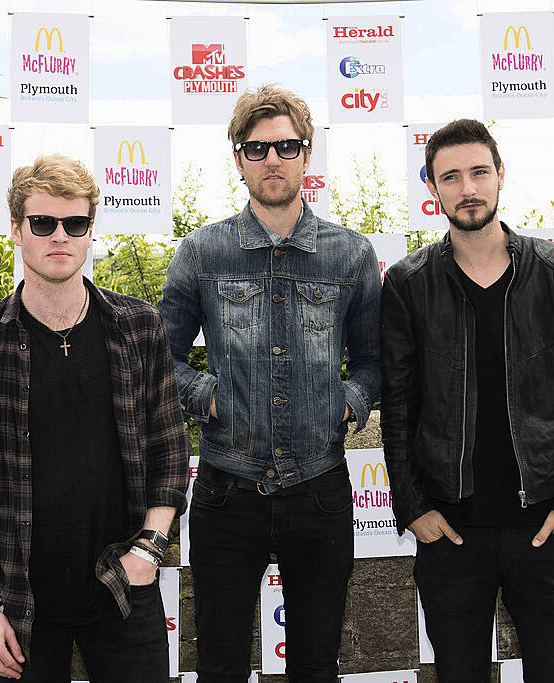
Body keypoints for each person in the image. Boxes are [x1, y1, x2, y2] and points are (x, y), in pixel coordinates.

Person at [0, 154, 189, 682]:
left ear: (91, 231)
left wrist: (148, 550)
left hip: (124, 587)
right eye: (43, 223)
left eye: (75, 224)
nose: (59, 236)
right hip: (19, 601)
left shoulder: (140, 328)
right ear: (17, 231)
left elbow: (170, 451)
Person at [157, 84, 382, 682]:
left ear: (308, 155)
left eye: (287, 146)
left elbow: (375, 361)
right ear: (238, 160)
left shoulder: (352, 256)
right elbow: (161, 359)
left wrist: (349, 401)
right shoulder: (202, 251)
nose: (273, 159)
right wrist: (207, 395)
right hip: (228, 491)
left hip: (320, 488)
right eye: (257, 149)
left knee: (315, 665)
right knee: (222, 664)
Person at [379, 119, 554, 683]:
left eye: (479, 172)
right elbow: (399, 407)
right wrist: (415, 510)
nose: (467, 188)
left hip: (545, 527)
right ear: (432, 188)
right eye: (450, 177)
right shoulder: (408, 283)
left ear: (501, 175)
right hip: (452, 534)